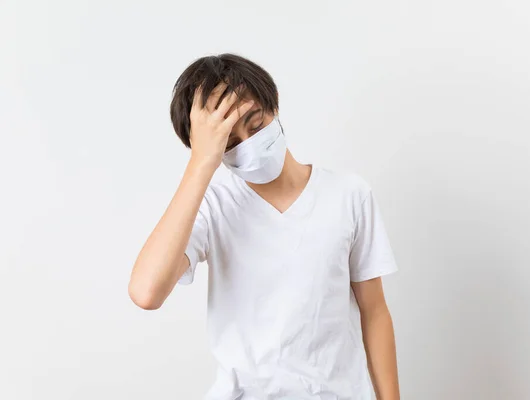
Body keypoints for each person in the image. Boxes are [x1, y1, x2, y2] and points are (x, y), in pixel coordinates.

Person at [128, 53, 400, 399]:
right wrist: (200, 165)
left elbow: (374, 311)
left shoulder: (349, 195)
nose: (250, 144)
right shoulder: (212, 207)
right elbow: (146, 292)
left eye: (256, 124)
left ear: (274, 107)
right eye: (229, 143)